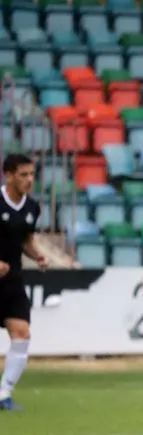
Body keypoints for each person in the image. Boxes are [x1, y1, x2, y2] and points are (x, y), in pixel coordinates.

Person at [0, 154, 47, 411]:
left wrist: (37, 254)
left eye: (32, 175)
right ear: (8, 175)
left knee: (22, 334)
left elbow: (25, 240)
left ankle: (4, 393)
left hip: (12, 281)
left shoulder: (32, 208)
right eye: (23, 175)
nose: (30, 180)